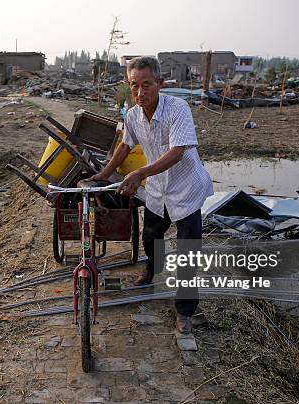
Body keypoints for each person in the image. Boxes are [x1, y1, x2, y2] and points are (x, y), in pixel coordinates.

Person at [91, 56, 213, 333]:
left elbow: (178, 151)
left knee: (188, 252)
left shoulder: (178, 109)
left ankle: (184, 312)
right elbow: (125, 145)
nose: (140, 92)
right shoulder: (133, 115)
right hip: (158, 188)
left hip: (186, 188)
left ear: (160, 84)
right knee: (150, 237)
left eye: (146, 85)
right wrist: (104, 174)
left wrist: (138, 174)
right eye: (134, 85)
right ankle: (151, 271)